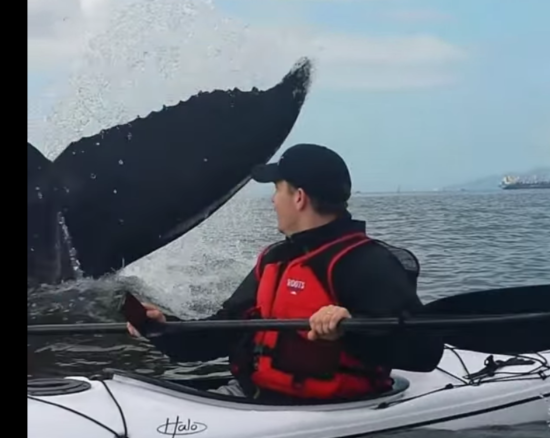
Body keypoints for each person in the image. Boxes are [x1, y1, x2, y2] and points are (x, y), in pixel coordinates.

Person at [127, 143, 445, 403]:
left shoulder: (364, 263)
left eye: (277, 189)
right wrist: (162, 329)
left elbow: (424, 353)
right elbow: (222, 333)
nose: (273, 200)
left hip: (330, 412)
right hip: (252, 398)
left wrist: (349, 330)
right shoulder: (275, 259)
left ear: (299, 197)